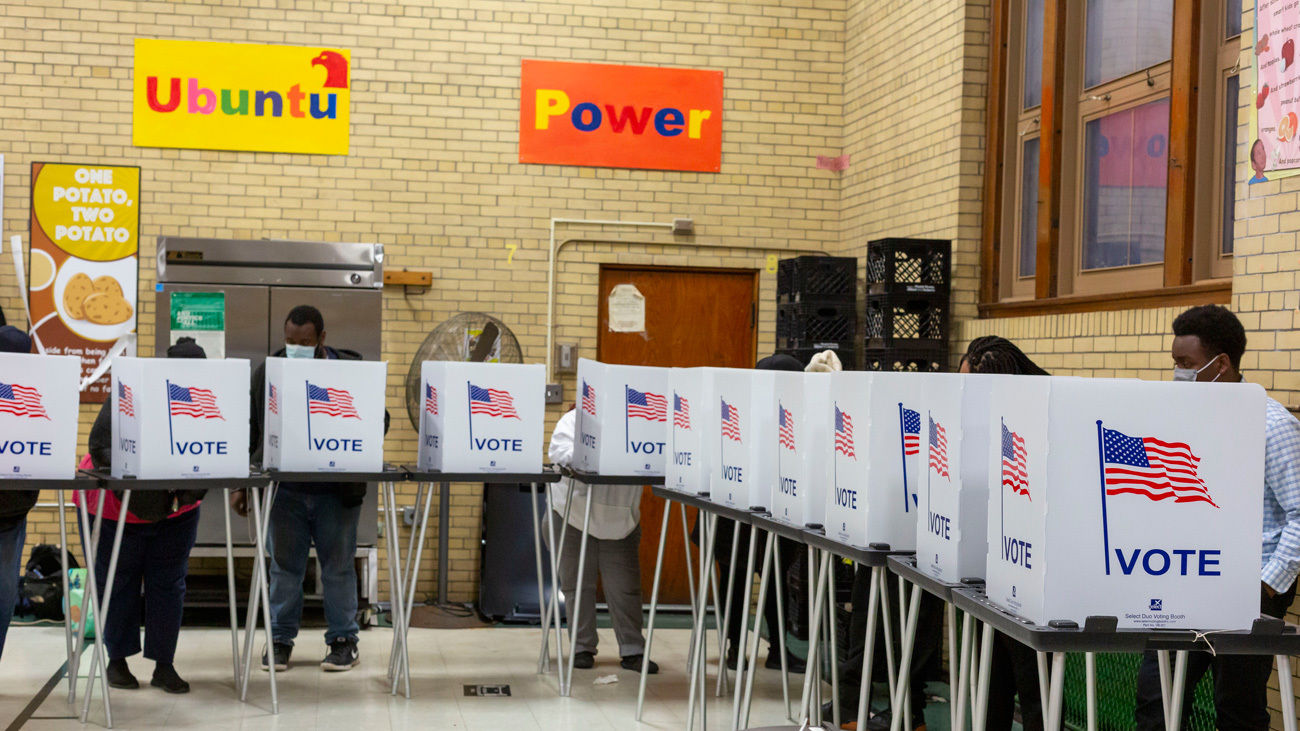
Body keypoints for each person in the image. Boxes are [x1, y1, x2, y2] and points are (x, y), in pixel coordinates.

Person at [1134, 305, 1300, 731]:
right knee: (1156, 701)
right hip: (1185, 578)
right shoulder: (1184, 421)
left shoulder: (1272, 426)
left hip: (1250, 588)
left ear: (1221, 364)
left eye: (1185, 364)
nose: (1178, 374)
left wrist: (1267, 582)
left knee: (1237, 709)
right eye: (1175, 364)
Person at [231, 304, 388, 673]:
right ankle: (280, 641)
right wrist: (242, 484)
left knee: (338, 568)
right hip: (285, 491)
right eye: (289, 341)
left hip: (337, 491)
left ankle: (343, 641)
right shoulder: (268, 374)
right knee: (285, 569)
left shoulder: (350, 372)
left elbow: (379, 420)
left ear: (322, 338)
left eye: (304, 341)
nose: (295, 347)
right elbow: (252, 431)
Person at [78, 337, 210, 693]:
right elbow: (102, 447)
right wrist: (149, 499)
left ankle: (163, 665)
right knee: (115, 583)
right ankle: (116, 661)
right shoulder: (133, 389)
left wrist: (178, 499)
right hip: (109, 506)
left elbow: (214, 456)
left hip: (176, 510)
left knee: (169, 585)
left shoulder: (206, 401)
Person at [699, 354, 807, 674]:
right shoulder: (738, 410)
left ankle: (774, 648)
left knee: (773, 581)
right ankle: (737, 647)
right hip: (735, 514)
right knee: (737, 580)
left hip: (773, 512)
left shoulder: (789, 414)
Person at [960, 336, 1045, 731]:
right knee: (989, 685)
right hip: (993, 573)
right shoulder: (991, 419)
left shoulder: (1041, 420)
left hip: (1033, 582)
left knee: (1035, 691)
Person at [547, 406, 657, 673]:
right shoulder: (573, 420)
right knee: (576, 587)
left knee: (626, 588)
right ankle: (581, 648)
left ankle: (633, 650)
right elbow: (560, 453)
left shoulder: (640, 423)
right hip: (572, 514)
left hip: (619, 518)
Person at [0, 326, 37, 658]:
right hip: (13, 512)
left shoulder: (33, 391)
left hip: (11, 515)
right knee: (2, 596)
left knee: (3, 597)